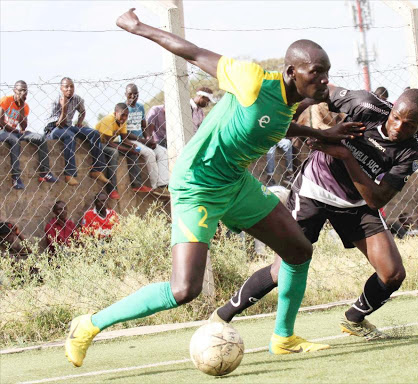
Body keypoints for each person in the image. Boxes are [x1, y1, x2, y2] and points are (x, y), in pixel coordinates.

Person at [64, 8, 365, 367]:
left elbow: (273, 126)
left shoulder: (292, 102)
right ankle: (88, 325)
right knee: (183, 289)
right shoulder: (252, 80)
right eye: (317, 72)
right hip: (197, 184)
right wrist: (138, 27)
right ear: (291, 72)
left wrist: (320, 133)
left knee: (299, 251)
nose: (324, 80)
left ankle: (283, 338)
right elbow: (192, 52)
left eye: (327, 72)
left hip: (235, 182)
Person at [212, 87, 418, 341]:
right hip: (314, 191)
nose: (397, 127)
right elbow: (321, 92)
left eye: (409, 124)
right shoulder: (366, 106)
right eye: (396, 117)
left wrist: (346, 156)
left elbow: (376, 198)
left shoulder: (415, 149)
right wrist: (298, 126)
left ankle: (354, 319)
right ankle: (220, 317)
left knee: (392, 274)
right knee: (282, 269)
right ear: (391, 108)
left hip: (357, 203)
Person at [45, 77, 109, 186]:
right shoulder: (56, 100)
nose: (69, 89)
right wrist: (64, 108)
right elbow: (59, 124)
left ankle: (97, 170)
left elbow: (82, 111)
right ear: (61, 88)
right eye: (66, 87)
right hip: (54, 128)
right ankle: (69, 174)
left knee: (94, 133)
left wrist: (79, 122)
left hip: (69, 126)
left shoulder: (76, 99)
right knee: (70, 136)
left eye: (72, 86)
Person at [0, 80, 57, 189]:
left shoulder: (25, 106)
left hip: (16, 132)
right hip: (3, 132)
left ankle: (45, 173)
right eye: (20, 91)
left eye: (25, 92)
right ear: (14, 90)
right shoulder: (6, 100)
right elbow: (1, 121)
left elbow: (23, 127)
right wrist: (14, 130)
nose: (23, 94)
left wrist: (21, 106)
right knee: (15, 141)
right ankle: (16, 177)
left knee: (40, 138)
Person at [95, 103, 152, 199]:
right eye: (122, 115)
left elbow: (124, 139)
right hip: (98, 144)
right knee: (114, 152)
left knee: (132, 151)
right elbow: (110, 143)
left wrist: (133, 147)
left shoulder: (122, 121)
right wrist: (128, 149)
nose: (124, 117)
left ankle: (137, 184)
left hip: (108, 143)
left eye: (126, 115)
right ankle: (112, 189)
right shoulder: (109, 120)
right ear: (115, 113)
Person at [125, 84, 169, 195]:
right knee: (149, 153)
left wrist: (149, 138)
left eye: (135, 94)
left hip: (142, 140)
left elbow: (144, 125)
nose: (133, 97)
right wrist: (142, 140)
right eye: (130, 94)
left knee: (163, 152)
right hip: (132, 141)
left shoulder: (140, 107)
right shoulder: (123, 109)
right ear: (125, 94)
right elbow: (125, 133)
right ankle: (155, 186)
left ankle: (163, 183)